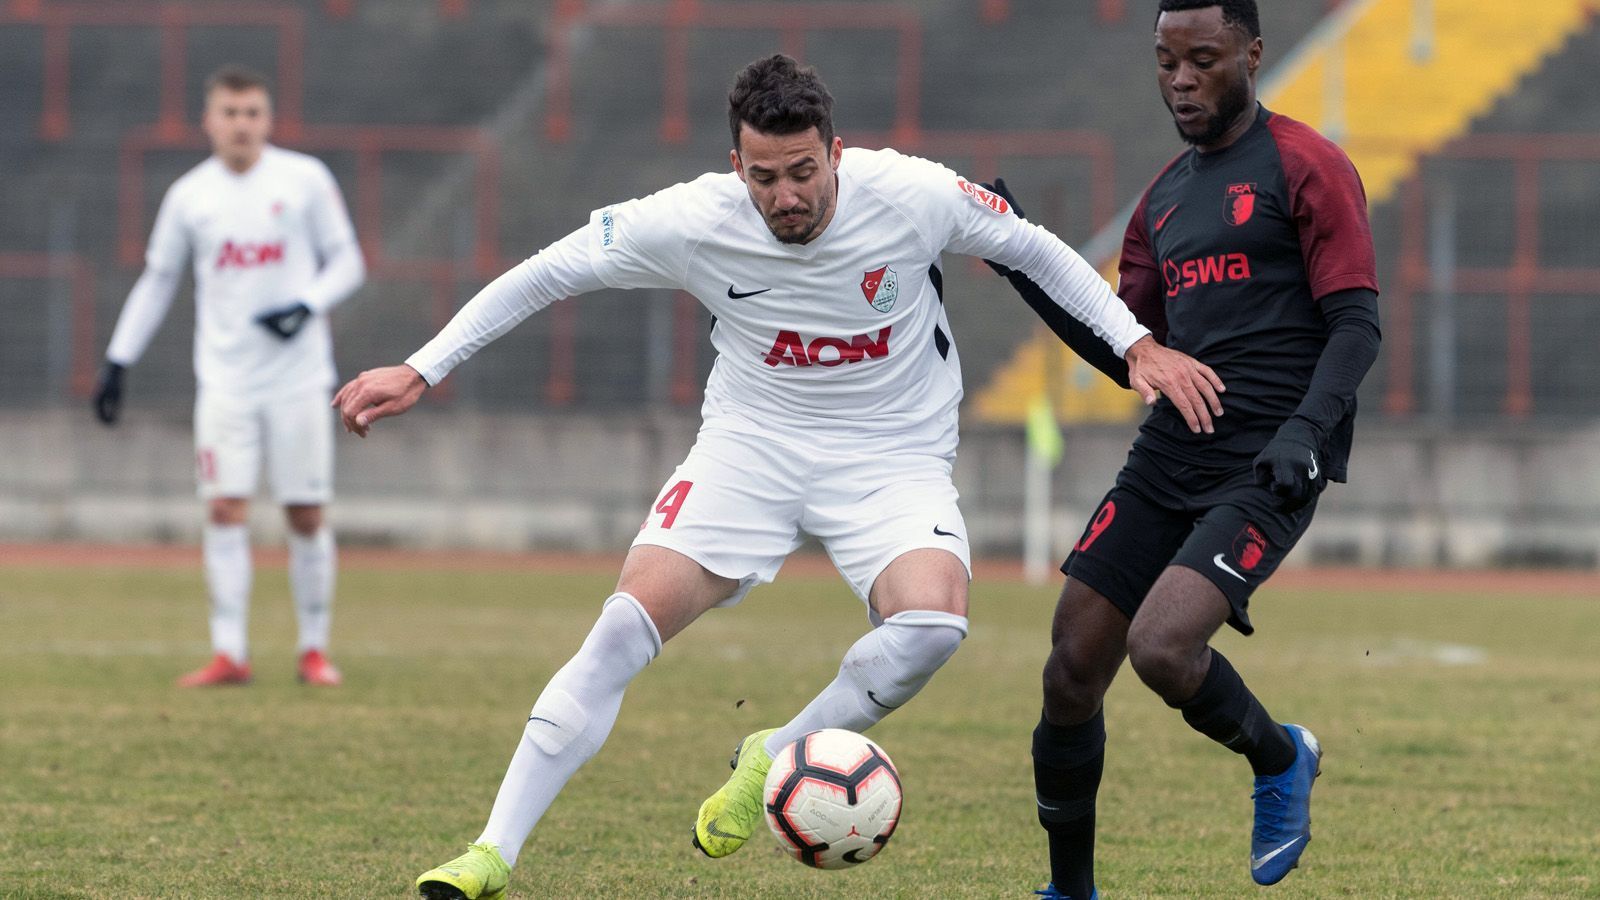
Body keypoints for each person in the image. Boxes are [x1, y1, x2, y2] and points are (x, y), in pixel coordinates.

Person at [334, 54, 1221, 900]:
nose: (785, 197)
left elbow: (1035, 249)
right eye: (764, 177)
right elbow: (549, 271)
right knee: (619, 631)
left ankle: (780, 749)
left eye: (803, 171)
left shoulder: (911, 193)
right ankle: (492, 851)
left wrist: (1137, 345)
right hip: (750, 449)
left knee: (932, 625)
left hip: (892, 455)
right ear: (737, 165)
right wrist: (424, 368)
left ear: (835, 151)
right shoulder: (691, 219)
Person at [986, 1, 1382, 896]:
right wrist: (1021, 265)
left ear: (1251, 53)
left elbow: (1357, 323)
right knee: (1071, 668)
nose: (1180, 80)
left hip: (1270, 458)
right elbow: (1125, 345)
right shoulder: (1161, 200)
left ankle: (1282, 759)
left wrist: (1304, 433)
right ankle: (1070, 889)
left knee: (1163, 648)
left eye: (1202, 60)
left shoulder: (1306, 164)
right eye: (1165, 61)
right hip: (1171, 452)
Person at [93, 66, 366, 688]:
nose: (241, 124)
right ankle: (229, 652)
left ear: (267, 120)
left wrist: (306, 304)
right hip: (225, 383)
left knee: (303, 513)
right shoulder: (190, 196)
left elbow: (349, 260)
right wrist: (117, 360)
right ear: (208, 121)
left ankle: (313, 650)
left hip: (298, 380)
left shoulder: (304, 180)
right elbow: (159, 280)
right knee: (223, 508)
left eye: (252, 113)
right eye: (230, 113)